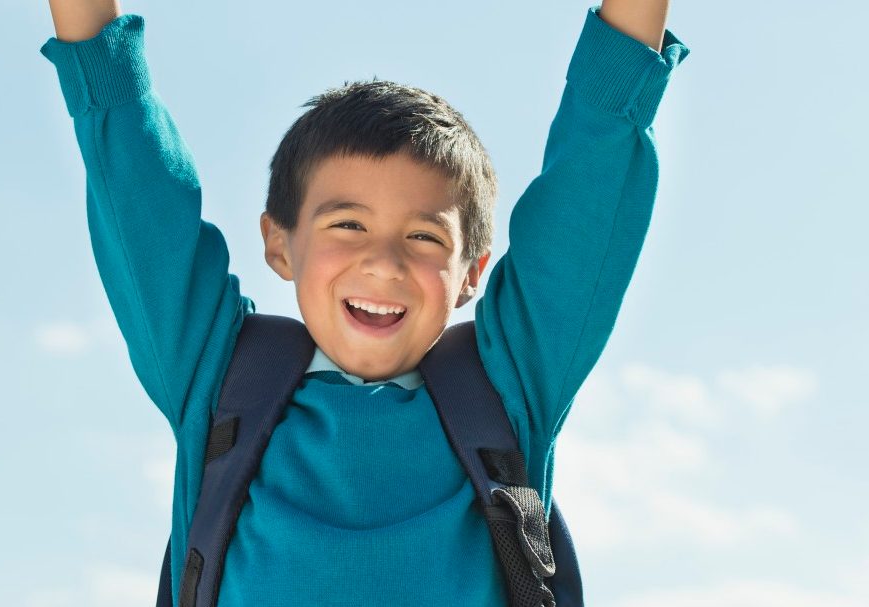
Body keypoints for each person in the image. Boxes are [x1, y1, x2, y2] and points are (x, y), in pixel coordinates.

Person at [40, 0, 688, 604]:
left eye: (424, 235)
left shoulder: (506, 388)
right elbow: (135, 182)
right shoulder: (216, 377)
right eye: (346, 224)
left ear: (471, 274)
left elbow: (592, 179)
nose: (383, 261)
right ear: (279, 243)